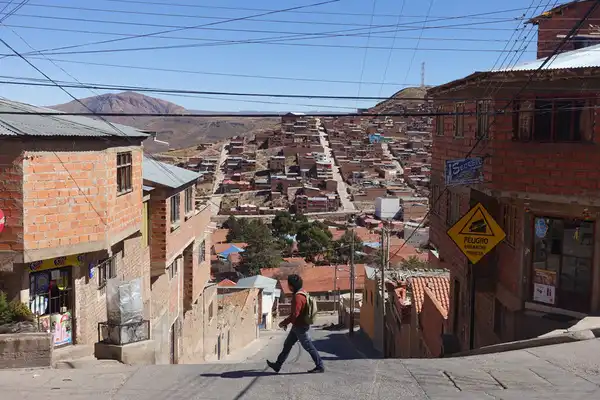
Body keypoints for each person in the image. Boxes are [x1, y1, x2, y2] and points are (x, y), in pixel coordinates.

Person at [267, 274, 324, 374]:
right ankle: (277, 365)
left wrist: (284, 323)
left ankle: (320, 366)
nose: (288, 286)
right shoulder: (303, 292)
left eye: (289, 284)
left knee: (309, 346)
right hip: (297, 326)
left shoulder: (298, 297)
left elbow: (295, 315)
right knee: (287, 345)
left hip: (300, 327)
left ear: (292, 286)